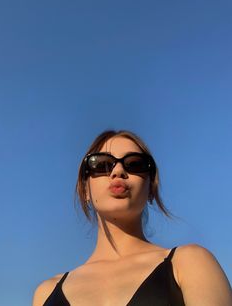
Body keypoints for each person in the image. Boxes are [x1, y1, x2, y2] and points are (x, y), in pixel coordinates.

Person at [33, 129, 232, 306]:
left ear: (151, 189)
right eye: (101, 164)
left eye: (135, 164)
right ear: (85, 188)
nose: (118, 171)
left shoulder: (189, 263)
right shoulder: (47, 293)